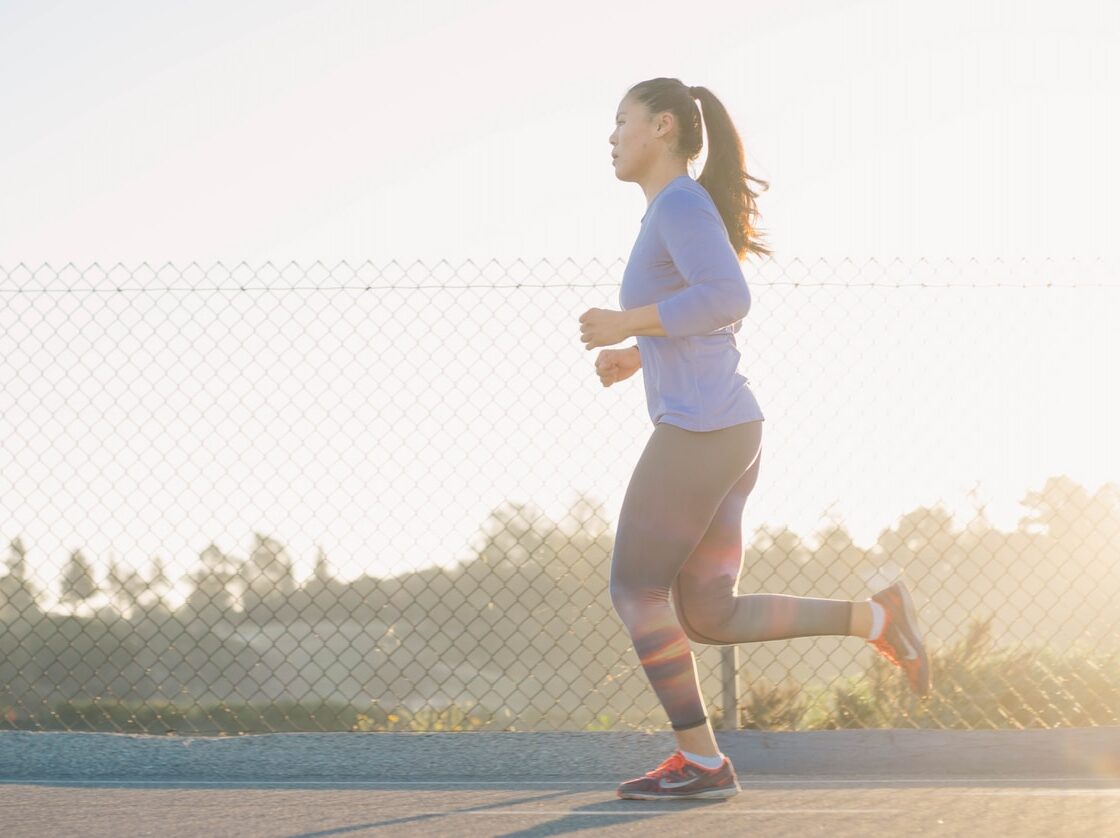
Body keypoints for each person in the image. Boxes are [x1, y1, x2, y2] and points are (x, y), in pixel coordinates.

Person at [578, 77, 931, 801]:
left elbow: (729, 297)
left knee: (636, 588)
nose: (611, 136)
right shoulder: (671, 210)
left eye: (622, 121)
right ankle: (879, 617)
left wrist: (627, 322)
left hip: (704, 431)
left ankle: (703, 763)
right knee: (708, 613)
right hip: (728, 429)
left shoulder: (677, 203)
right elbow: (706, 314)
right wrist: (638, 352)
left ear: (665, 127)